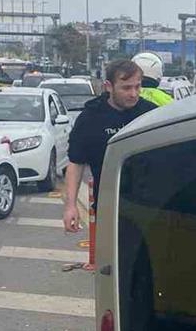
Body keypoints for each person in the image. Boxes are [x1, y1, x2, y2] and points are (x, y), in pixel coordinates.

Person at [62, 59, 158, 233]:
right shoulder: (90, 119)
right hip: (110, 207)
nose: (134, 94)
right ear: (108, 86)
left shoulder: (151, 114)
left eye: (137, 87)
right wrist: (71, 206)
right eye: (126, 88)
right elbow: (76, 163)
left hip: (151, 207)